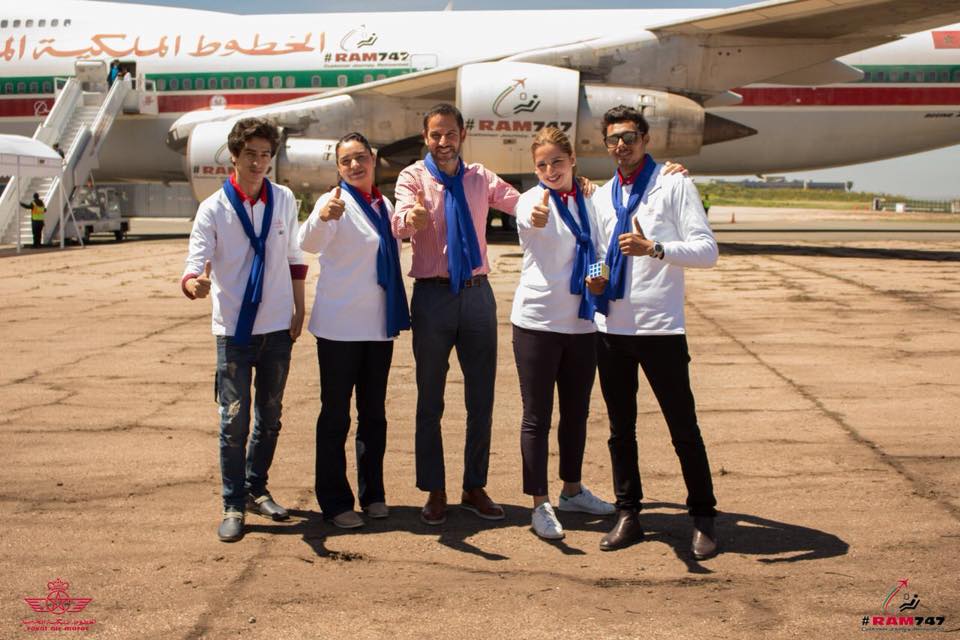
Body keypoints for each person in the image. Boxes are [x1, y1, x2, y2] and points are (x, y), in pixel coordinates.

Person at [591, 105, 720, 559]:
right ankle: (628, 514)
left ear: (645, 140)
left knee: (682, 428)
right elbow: (598, 254)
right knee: (620, 431)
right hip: (612, 328)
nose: (621, 145)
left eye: (629, 137)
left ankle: (702, 517)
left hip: (660, 328)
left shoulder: (673, 184)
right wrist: (595, 279)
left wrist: (655, 248)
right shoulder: (602, 196)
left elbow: (707, 251)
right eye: (613, 139)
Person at [391, 103, 519, 525]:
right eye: (435, 135)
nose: (443, 142)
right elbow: (399, 219)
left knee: (481, 398)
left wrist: (577, 187)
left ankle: (474, 485)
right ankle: (435, 489)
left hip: (478, 296)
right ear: (425, 138)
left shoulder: (480, 177)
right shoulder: (413, 177)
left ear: (462, 134)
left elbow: (522, 203)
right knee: (430, 399)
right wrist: (411, 218)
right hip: (432, 298)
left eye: (450, 134)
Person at [181, 117, 307, 543]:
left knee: (270, 419)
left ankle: (257, 488)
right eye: (250, 154)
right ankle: (233, 503)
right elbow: (194, 262)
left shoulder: (283, 199)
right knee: (233, 421)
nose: (258, 163)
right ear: (233, 156)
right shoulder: (213, 208)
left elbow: (293, 256)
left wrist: (299, 306)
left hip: (277, 327)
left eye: (265, 155)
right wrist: (193, 284)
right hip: (233, 331)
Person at [298, 132, 409, 529]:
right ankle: (334, 501)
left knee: (374, 415)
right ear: (338, 168)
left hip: (378, 326)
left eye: (360, 158)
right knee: (335, 416)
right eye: (346, 161)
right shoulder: (334, 201)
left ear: (373, 159)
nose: (354, 166)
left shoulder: (384, 203)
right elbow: (307, 242)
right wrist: (323, 217)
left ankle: (373, 493)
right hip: (340, 328)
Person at [512, 127, 616, 540]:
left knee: (576, 412)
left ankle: (572, 491)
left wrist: (599, 278)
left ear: (573, 160)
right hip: (537, 323)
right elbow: (529, 221)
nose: (550, 170)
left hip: (583, 323)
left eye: (557, 161)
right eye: (542, 165)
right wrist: (536, 218)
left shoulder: (593, 198)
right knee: (537, 416)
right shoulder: (530, 201)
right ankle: (539, 504)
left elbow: (603, 249)